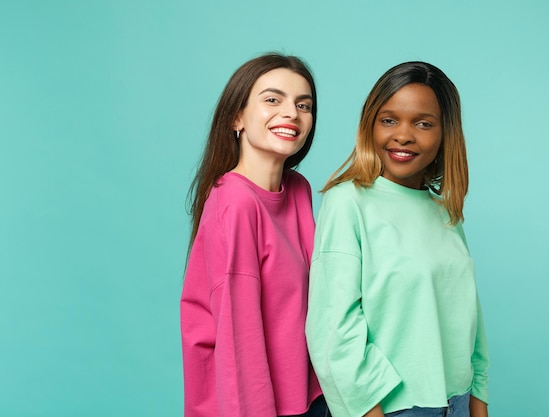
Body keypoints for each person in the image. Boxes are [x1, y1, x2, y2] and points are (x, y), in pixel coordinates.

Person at [305, 61, 489, 417]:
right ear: (370, 125)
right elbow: (334, 330)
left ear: (445, 133)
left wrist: (478, 402)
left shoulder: (445, 213)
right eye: (389, 120)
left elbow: (470, 319)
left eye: (423, 123)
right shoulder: (348, 202)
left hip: (458, 403)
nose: (403, 135)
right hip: (390, 408)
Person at [181, 53, 327, 417]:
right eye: (273, 99)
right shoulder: (235, 202)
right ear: (237, 117)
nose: (292, 113)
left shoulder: (297, 190)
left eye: (303, 105)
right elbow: (238, 341)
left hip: (310, 401)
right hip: (256, 406)